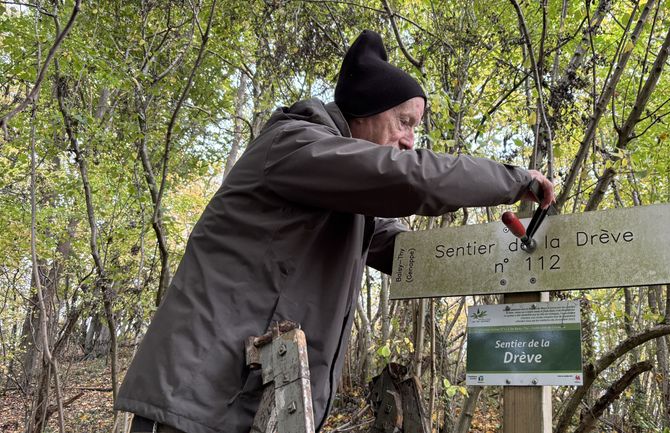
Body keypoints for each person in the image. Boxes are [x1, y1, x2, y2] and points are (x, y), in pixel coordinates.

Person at [115, 30, 555, 433]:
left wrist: (498, 257)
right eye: (405, 122)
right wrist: (513, 181)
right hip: (196, 402)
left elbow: (406, 252)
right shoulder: (294, 147)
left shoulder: (345, 200)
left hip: (255, 410)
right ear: (364, 113)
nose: (409, 141)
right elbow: (406, 178)